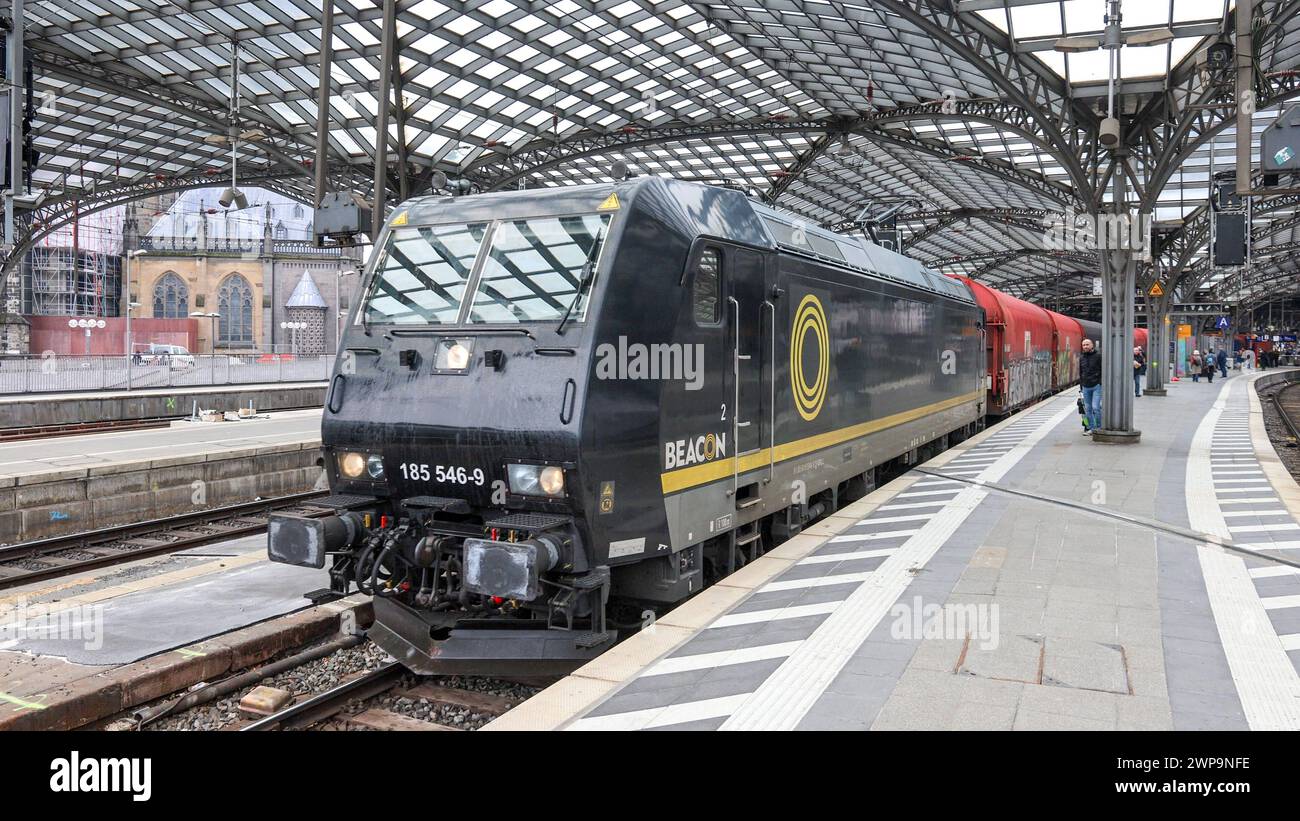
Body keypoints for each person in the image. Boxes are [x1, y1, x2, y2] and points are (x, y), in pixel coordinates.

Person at [1080, 338, 1102, 434]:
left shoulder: (1098, 356)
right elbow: (1080, 372)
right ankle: (1092, 429)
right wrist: (1081, 385)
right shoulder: (1081, 358)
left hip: (1096, 385)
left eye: (1087, 344)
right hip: (1085, 386)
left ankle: (1099, 427)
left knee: (1095, 407)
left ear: (1092, 345)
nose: (1085, 346)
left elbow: (1102, 370)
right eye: (1084, 345)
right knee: (1088, 409)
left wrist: (1100, 382)